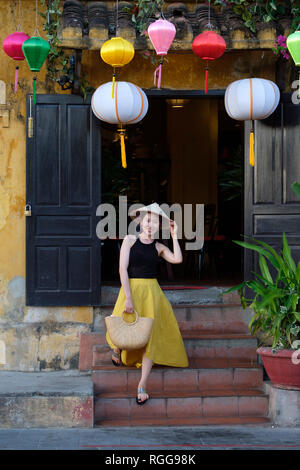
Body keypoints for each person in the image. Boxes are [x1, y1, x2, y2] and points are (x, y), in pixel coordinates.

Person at [105, 202, 189, 405]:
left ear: (159, 225)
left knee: (149, 338)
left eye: (154, 222)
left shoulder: (159, 246)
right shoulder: (130, 240)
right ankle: (117, 349)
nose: (150, 224)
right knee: (124, 327)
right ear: (140, 222)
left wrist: (175, 234)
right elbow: (122, 270)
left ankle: (142, 384)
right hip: (131, 291)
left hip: (152, 294)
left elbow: (177, 259)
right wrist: (129, 298)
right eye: (147, 220)